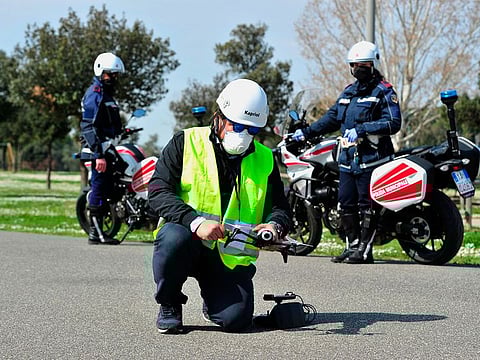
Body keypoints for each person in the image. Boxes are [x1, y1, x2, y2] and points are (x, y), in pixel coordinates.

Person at [148, 78, 292, 334]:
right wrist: (196, 222)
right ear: (219, 117)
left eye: (251, 130)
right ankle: (170, 302)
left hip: (227, 256)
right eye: (237, 126)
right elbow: (158, 192)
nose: (243, 135)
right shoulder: (186, 142)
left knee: (237, 321)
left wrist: (275, 225)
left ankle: (214, 301)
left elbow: (280, 207)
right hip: (187, 239)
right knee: (172, 239)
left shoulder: (264, 158)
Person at [292, 41, 401, 264]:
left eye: (363, 64)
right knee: (345, 202)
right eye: (354, 65)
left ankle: (364, 249)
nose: (358, 69)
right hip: (347, 160)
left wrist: (361, 129)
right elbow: (331, 118)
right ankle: (351, 246)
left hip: (373, 160)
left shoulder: (384, 91)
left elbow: (393, 122)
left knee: (366, 204)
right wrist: (305, 133)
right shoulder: (348, 92)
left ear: (373, 65)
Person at [80, 52, 125, 245]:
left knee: (115, 184)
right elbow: (88, 126)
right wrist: (98, 155)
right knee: (98, 188)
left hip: (107, 150)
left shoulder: (106, 95)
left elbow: (109, 123)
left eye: (115, 75)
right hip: (97, 152)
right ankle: (95, 233)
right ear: (100, 72)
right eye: (110, 74)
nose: (113, 78)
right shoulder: (95, 94)